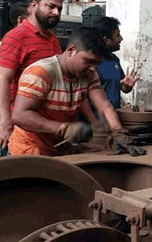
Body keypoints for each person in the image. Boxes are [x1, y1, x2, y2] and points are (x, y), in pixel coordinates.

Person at [8, 27, 142, 156]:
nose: (93, 69)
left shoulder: (87, 74)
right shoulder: (41, 73)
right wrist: (63, 129)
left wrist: (118, 131)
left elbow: (104, 106)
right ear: (71, 50)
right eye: (89, 61)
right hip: (30, 149)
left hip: (60, 148)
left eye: (97, 63)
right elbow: (19, 115)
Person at [0, 0, 64, 152]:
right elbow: (2, 80)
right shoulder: (16, 37)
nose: (56, 13)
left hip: (45, 129)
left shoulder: (53, 39)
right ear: (34, 6)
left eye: (59, 9)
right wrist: (6, 123)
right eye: (51, 7)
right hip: (22, 130)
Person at [0, 0, 30, 156]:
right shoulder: (2, 49)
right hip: (12, 127)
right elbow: (2, 88)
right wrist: (6, 125)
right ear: (20, 21)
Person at [92, 16, 138, 109]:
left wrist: (127, 86)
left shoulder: (114, 59)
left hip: (114, 116)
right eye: (117, 35)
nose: (121, 39)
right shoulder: (92, 62)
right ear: (106, 40)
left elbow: (123, 88)